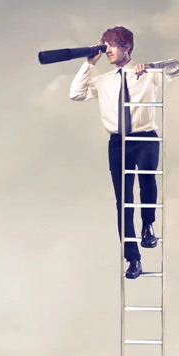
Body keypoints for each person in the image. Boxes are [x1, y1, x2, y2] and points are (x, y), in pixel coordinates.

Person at [69, 26, 163, 279]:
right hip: (118, 143)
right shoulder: (104, 80)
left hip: (145, 139)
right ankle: (133, 259)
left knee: (147, 182)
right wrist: (89, 65)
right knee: (123, 203)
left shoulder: (146, 73)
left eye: (111, 45)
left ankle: (148, 226)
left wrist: (151, 66)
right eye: (104, 45)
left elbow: (176, 69)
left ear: (127, 47)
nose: (107, 50)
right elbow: (75, 94)